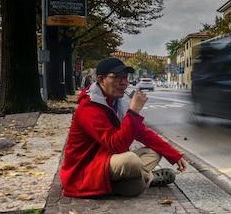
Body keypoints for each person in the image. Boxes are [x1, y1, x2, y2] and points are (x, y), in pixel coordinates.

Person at [60, 57, 187, 198]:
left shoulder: (116, 103)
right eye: (117, 78)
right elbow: (117, 146)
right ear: (101, 79)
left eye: (125, 78)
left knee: (154, 152)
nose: (124, 83)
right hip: (84, 172)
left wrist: (174, 155)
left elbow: (143, 133)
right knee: (131, 161)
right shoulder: (89, 107)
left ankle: (135, 180)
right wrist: (133, 112)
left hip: (106, 161)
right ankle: (148, 177)